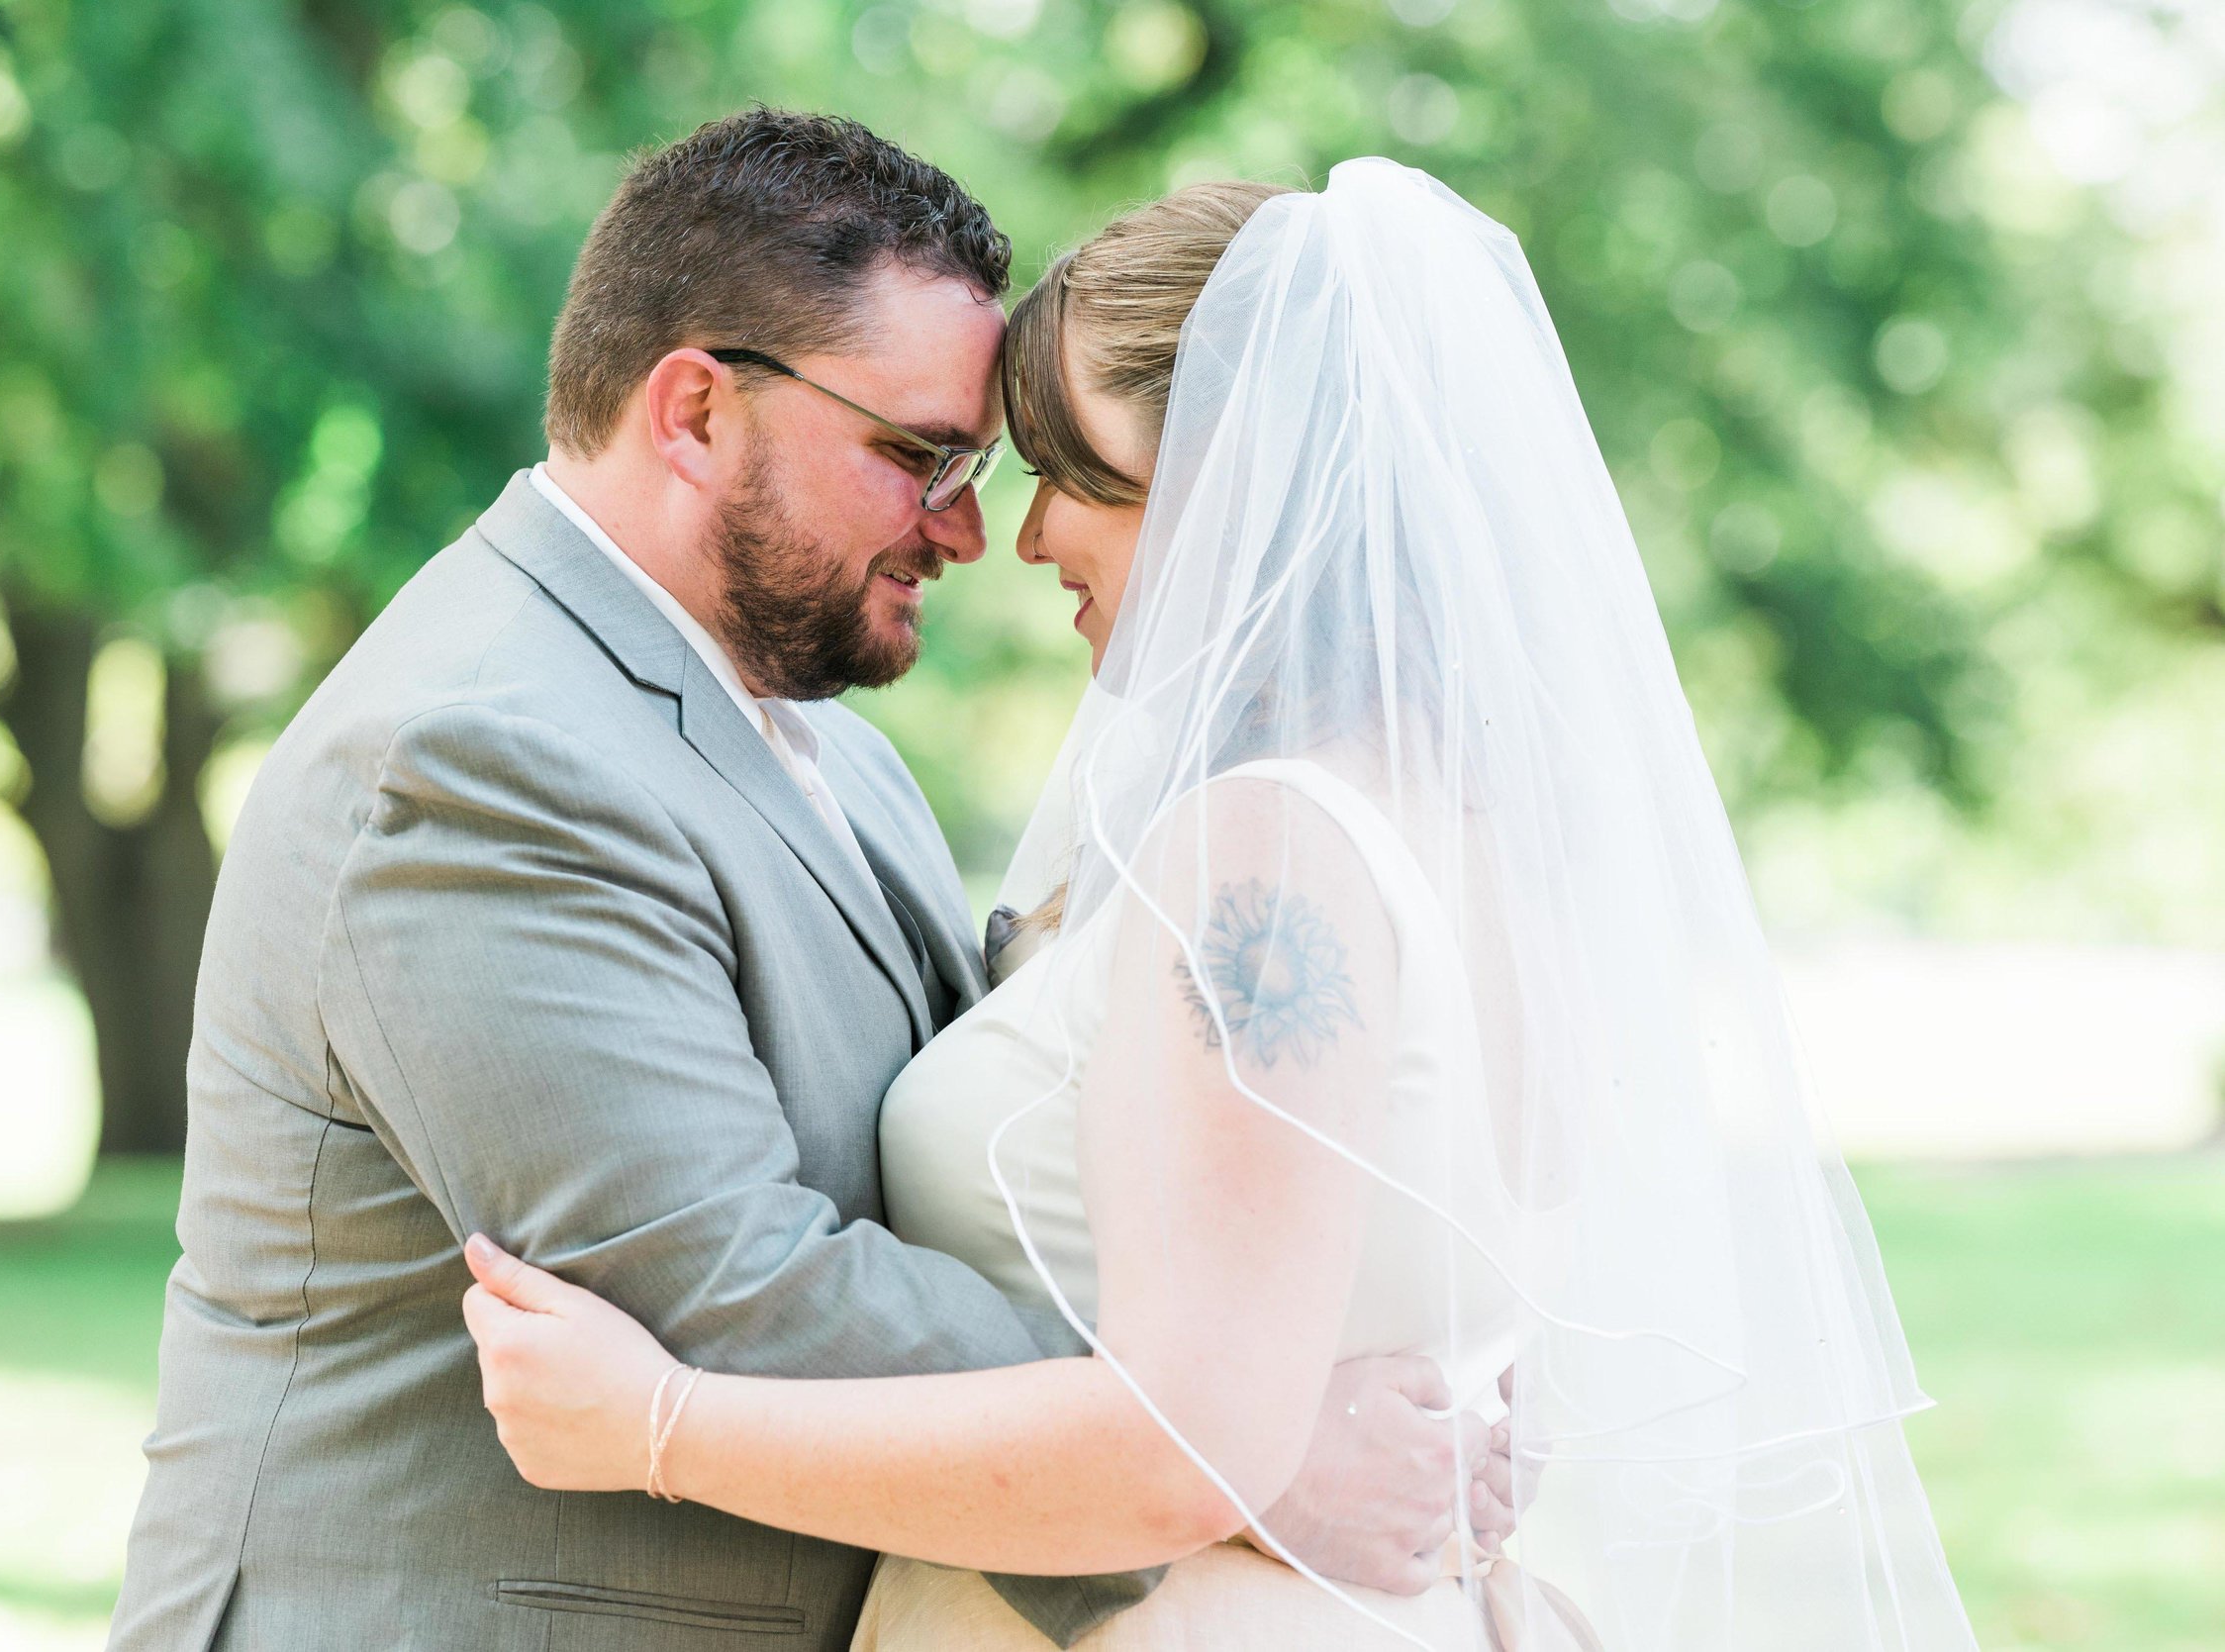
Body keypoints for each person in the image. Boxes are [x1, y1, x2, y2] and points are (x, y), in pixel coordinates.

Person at [461, 161, 1983, 1651]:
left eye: (1074, 472)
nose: (1030, 535)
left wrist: (658, 1419)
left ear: (1242, 470)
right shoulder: (1482, 839)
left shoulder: (1261, 850)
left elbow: (1179, 1449)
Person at [108, 113, 1479, 1652]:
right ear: (694, 408)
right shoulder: (478, 756)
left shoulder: (830, 746)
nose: (971, 531)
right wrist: (1250, 1449)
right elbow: (729, 1286)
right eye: (918, 456)